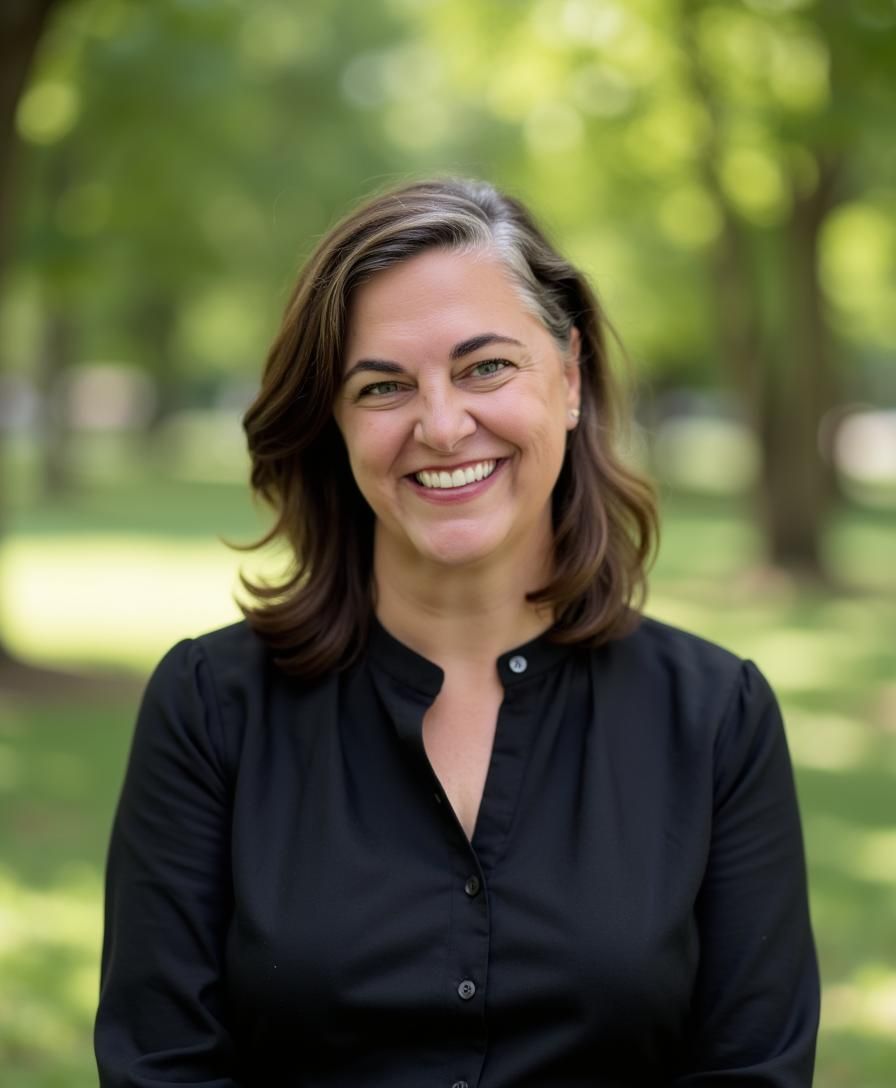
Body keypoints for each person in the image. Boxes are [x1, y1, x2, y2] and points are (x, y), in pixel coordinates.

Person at [95, 178, 820, 1087]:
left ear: (570, 377)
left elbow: (754, 1071)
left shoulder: (715, 718)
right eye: (383, 386)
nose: (441, 426)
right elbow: (162, 1067)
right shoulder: (210, 709)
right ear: (334, 421)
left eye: (485, 368)